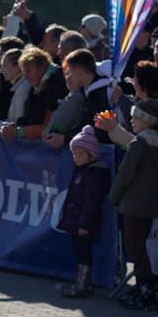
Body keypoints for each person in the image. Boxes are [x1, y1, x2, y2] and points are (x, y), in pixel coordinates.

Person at [108, 99, 158, 309]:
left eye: (136, 117)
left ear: (148, 120)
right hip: (150, 205)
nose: (132, 121)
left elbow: (125, 176)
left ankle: (145, 292)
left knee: (135, 250)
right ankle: (145, 289)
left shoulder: (139, 144)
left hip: (133, 204)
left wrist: (114, 198)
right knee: (142, 247)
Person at [56, 126, 111, 298]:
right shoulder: (82, 172)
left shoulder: (93, 175)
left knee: (83, 252)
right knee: (79, 251)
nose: (76, 157)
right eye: (74, 153)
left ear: (91, 155)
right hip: (76, 220)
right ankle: (83, 283)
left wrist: (84, 224)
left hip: (83, 223)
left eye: (81, 153)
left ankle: (82, 285)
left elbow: (91, 203)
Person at [0, 47, 66, 141]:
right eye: (24, 72)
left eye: (28, 71)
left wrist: (18, 132)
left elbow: (47, 126)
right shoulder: (37, 87)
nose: (25, 77)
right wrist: (15, 127)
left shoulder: (55, 89)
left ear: (42, 69)